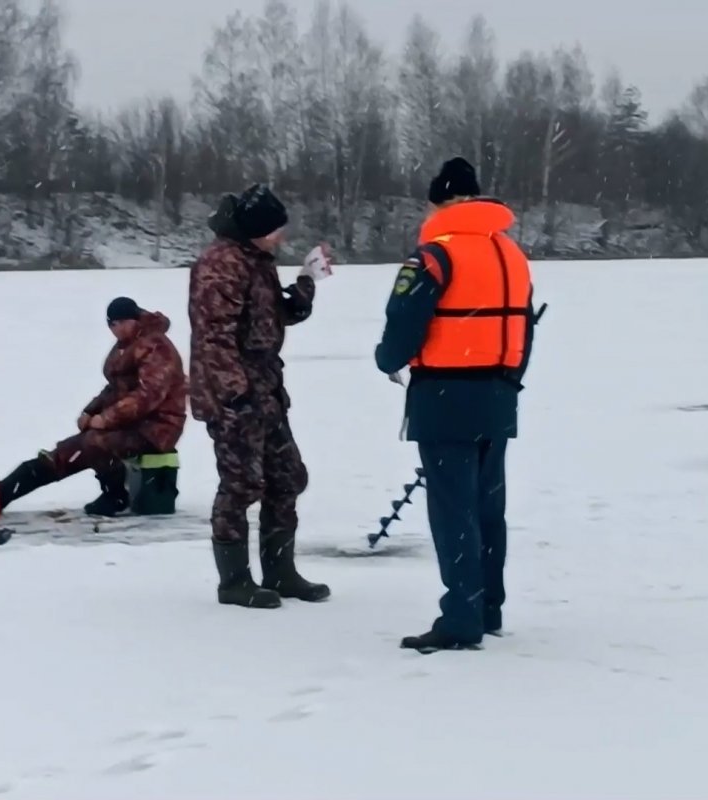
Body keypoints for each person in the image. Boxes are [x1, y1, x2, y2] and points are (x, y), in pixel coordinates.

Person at [374, 157, 540, 653]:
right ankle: (488, 607)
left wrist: (387, 359)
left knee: (453, 511)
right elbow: (523, 326)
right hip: (499, 394)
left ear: (439, 203)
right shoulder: (511, 254)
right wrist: (507, 380)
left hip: (444, 397)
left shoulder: (435, 256)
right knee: (488, 508)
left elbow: (402, 326)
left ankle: (462, 616)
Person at [188, 182, 334, 609]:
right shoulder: (220, 264)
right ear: (255, 229)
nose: (281, 237)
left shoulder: (255, 259)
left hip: (266, 389)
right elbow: (213, 338)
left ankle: (280, 572)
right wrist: (235, 396)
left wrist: (306, 283)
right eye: (275, 230)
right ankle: (234, 581)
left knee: (287, 477)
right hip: (233, 396)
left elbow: (271, 317)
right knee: (241, 484)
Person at [0, 297, 187, 518]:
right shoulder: (127, 345)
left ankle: (115, 495)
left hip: (157, 428)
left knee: (93, 442)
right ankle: (0, 494)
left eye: (122, 323)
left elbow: (148, 395)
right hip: (130, 423)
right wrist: (91, 411)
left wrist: (107, 418)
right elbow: (115, 388)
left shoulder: (156, 347)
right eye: (112, 324)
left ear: (135, 320)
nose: (116, 329)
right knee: (70, 450)